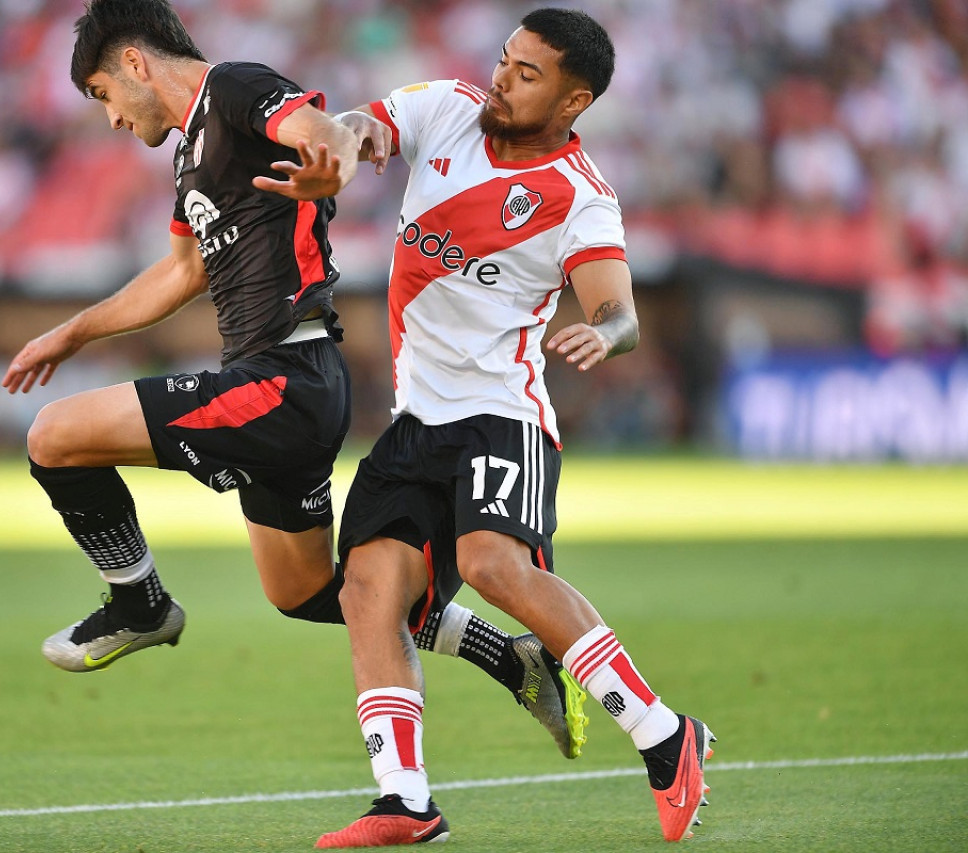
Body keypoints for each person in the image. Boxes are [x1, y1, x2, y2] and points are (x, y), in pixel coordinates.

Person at [0, 0, 586, 759]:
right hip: (283, 387)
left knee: (54, 436)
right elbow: (180, 273)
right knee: (309, 593)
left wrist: (331, 164)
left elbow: (323, 131)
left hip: (286, 375)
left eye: (104, 94)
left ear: (135, 64)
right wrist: (73, 331)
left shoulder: (236, 88)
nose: (111, 118)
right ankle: (511, 656)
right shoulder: (192, 155)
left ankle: (138, 602)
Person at [307, 9, 714, 848]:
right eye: (505, 60)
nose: (502, 77)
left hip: (503, 415)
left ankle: (664, 735)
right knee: (367, 591)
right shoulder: (445, 107)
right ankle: (405, 799)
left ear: (574, 102)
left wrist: (601, 333)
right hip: (417, 420)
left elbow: (619, 310)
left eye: (528, 74)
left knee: (490, 562)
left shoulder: (581, 197)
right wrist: (343, 143)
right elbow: (366, 126)